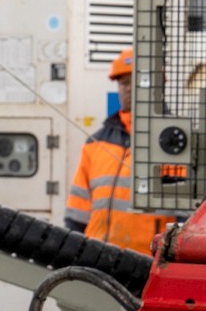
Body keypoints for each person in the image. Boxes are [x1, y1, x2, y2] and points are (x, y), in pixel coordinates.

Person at [66, 47, 166, 254]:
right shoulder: (95, 144)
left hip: (151, 266)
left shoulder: (174, 144)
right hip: (98, 262)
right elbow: (77, 214)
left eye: (134, 81)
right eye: (123, 83)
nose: (128, 89)